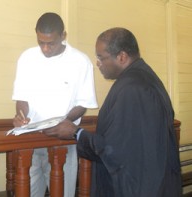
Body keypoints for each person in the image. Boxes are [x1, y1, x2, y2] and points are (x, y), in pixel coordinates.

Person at [44, 27, 182, 197]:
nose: (98, 63)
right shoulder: (146, 78)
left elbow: (114, 151)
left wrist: (76, 133)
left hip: (136, 187)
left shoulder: (132, 88)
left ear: (122, 57)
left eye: (101, 57)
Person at [12, 12, 98, 197]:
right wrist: (21, 116)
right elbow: (21, 97)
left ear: (63, 36)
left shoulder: (80, 61)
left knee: (63, 194)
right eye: (40, 42)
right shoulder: (27, 58)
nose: (45, 48)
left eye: (50, 43)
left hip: (63, 142)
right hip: (32, 139)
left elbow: (83, 104)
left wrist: (63, 122)